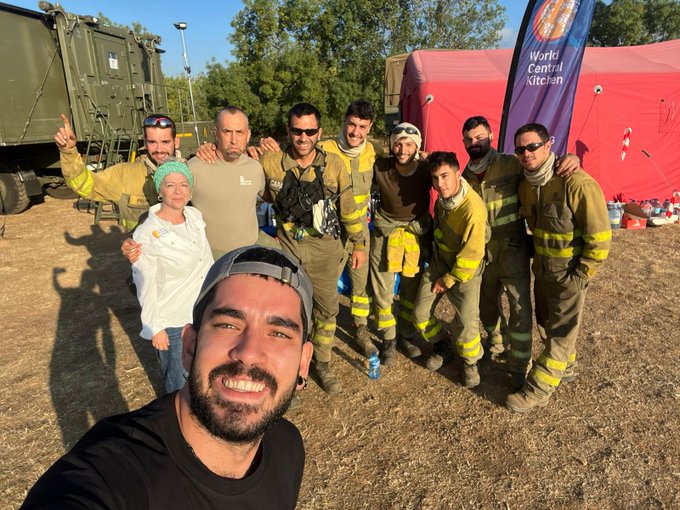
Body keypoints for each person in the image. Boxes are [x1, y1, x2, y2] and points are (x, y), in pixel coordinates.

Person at [22, 245, 315, 508]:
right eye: (228, 324)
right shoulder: (112, 474)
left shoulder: (286, 448)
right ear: (188, 346)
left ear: (303, 364)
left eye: (278, 333)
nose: (249, 352)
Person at [460, 116, 579, 387]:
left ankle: (518, 366)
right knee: (486, 306)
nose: (474, 143)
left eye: (479, 137)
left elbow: (541, 165)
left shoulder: (510, 164)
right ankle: (497, 343)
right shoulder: (464, 176)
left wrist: (569, 158)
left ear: (490, 135)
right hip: (481, 254)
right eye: (468, 139)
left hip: (512, 249)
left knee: (519, 308)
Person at [259, 103, 366, 395]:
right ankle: (291, 370)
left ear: (319, 132)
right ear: (288, 131)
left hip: (324, 251)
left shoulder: (334, 164)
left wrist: (358, 243)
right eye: (297, 130)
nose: (303, 137)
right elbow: (244, 192)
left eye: (309, 131)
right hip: (289, 249)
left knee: (327, 311)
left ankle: (323, 362)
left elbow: (348, 208)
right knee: (288, 313)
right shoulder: (269, 163)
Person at [506, 123, 610, 413]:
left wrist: (581, 275)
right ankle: (567, 367)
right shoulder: (526, 185)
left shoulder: (576, 183)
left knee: (562, 331)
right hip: (542, 270)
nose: (526, 153)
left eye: (532, 146)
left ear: (548, 145)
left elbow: (600, 239)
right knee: (546, 323)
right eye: (520, 149)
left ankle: (537, 389)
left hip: (570, 273)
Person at [123, 106, 274, 263]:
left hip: (250, 252)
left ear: (248, 135)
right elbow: (167, 211)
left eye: (240, 132)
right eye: (227, 132)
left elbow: (269, 197)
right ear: (216, 133)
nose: (234, 139)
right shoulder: (194, 168)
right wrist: (137, 237)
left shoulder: (255, 167)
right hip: (210, 259)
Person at [131, 160, 213, 393]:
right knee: (178, 383)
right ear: (160, 190)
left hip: (201, 313)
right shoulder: (146, 232)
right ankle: (175, 422)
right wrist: (154, 327)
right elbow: (143, 282)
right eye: (170, 185)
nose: (178, 192)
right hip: (173, 322)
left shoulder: (195, 217)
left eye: (183, 185)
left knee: (201, 373)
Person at [411, 152, 488, 388]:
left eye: (445, 176)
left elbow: (472, 254)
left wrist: (448, 279)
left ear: (458, 174)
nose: (440, 184)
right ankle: (443, 344)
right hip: (440, 262)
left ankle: (471, 361)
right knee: (420, 315)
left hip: (464, 271)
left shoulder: (472, 209)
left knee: (466, 324)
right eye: (435, 178)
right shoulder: (442, 201)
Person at [316, 100, 382, 356]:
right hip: (330, 232)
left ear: (370, 127)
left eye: (362, 127)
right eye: (352, 124)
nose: (355, 132)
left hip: (359, 232)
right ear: (344, 121)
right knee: (325, 284)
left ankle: (361, 329)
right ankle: (322, 336)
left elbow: (401, 160)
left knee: (360, 284)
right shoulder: (324, 148)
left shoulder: (374, 151)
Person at [369, 123, 432, 364]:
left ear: (417, 146)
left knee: (410, 288)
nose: (403, 149)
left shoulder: (427, 168)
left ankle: (406, 334)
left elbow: (452, 170)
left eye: (408, 144)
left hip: (415, 234)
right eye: (398, 143)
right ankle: (388, 338)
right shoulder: (381, 166)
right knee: (382, 289)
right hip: (385, 232)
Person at [55, 113, 179, 232]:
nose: (159, 149)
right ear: (145, 143)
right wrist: (68, 152)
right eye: (152, 142)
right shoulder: (124, 175)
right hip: (144, 252)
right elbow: (84, 185)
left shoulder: (193, 171)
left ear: (176, 142)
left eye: (165, 142)